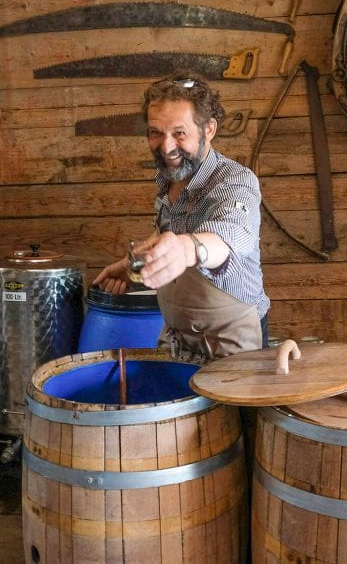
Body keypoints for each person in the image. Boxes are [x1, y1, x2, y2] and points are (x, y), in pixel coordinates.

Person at [93, 73, 270, 357]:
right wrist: (134, 263)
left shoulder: (235, 181)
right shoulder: (168, 180)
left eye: (179, 133)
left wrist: (189, 247)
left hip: (233, 345)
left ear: (209, 128)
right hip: (177, 339)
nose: (166, 147)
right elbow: (166, 234)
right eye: (155, 133)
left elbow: (232, 234)